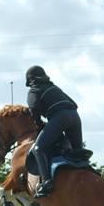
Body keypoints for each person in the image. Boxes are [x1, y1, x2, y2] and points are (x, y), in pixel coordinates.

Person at [25, 65, 83, 198]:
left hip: (60, 117)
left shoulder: (34, 90)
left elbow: (33, 109)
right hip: (75, 117)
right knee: (77, 153)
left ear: (31, 80)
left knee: (38, 149)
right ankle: (89, 172)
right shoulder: (54, 88)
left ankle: (47, 182)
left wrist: (40, 125)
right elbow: (73, 103)